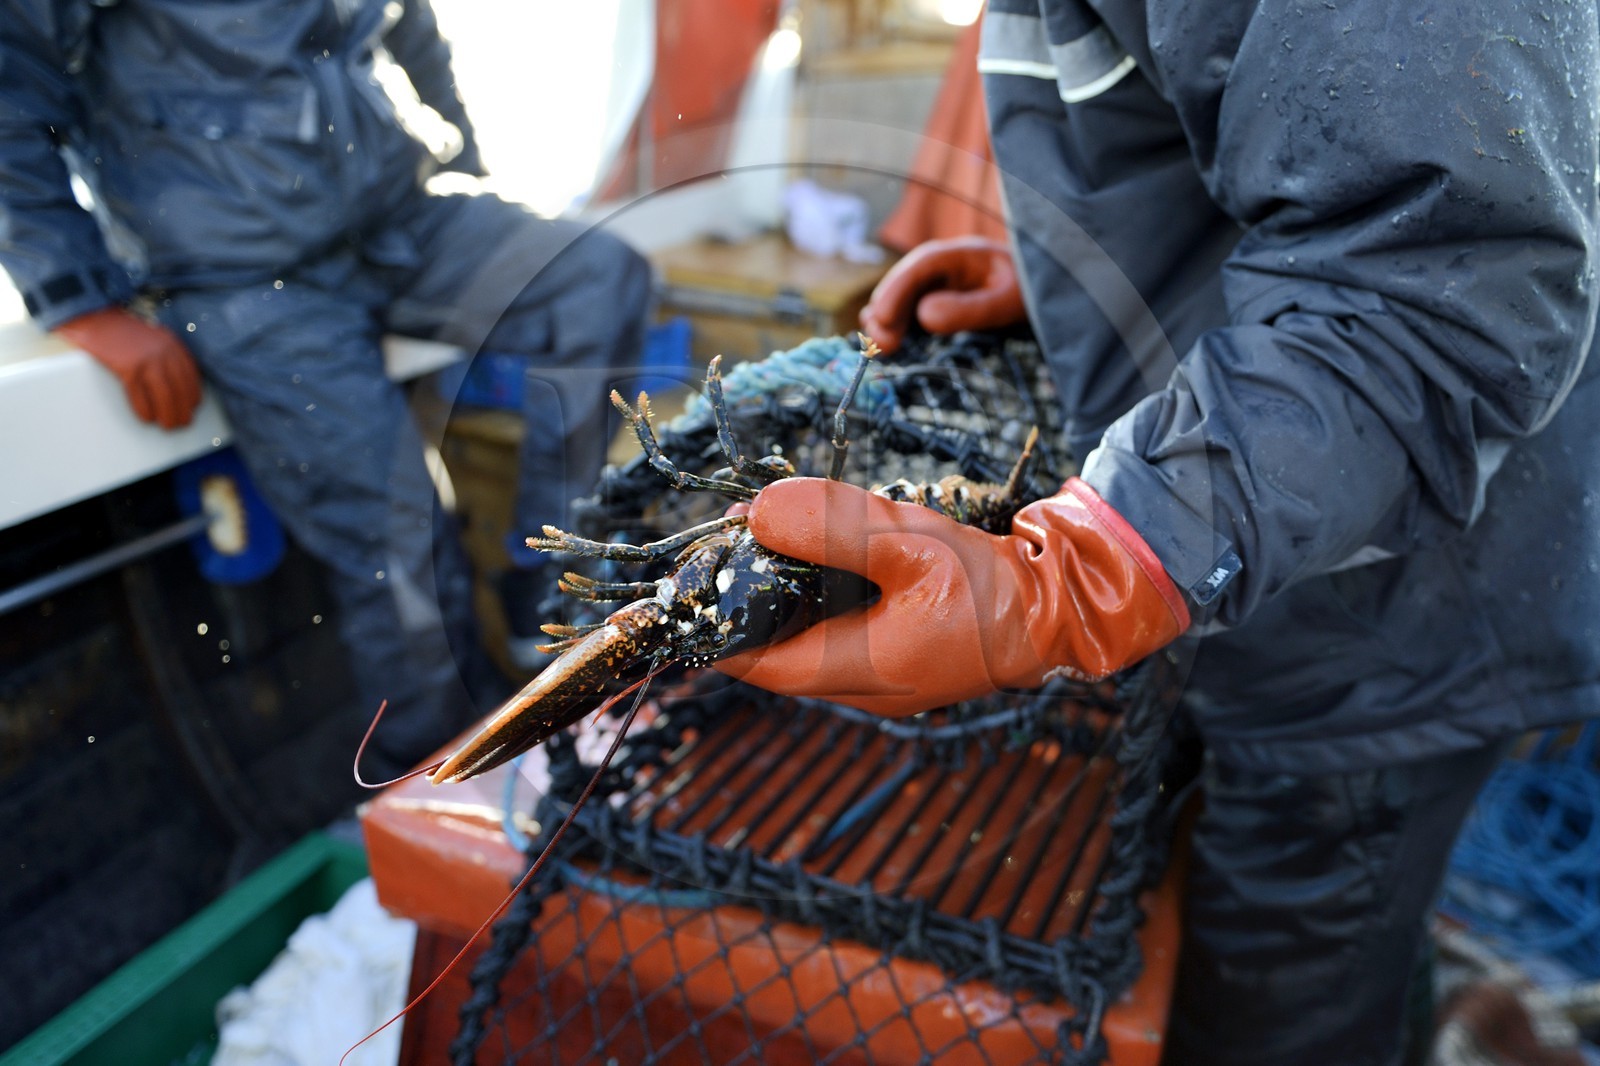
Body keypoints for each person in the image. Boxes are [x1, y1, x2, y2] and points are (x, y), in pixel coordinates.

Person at [718, 1, 1600, 1063]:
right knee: (1351, 929)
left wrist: (1076, 576)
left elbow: (1431, 296)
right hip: (1270, 571)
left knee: (1285, 988)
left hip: (1382, 609)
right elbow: (1256, 118)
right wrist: (1078, 274)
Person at [0, 0, 651, 778]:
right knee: (398, 534)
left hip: (394, 218)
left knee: (599, 281)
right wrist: (85, 303)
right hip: (239, 275)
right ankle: (438, 776)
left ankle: (544, 592)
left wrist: (464, 155)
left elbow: (410, 21)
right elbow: (11, 85)